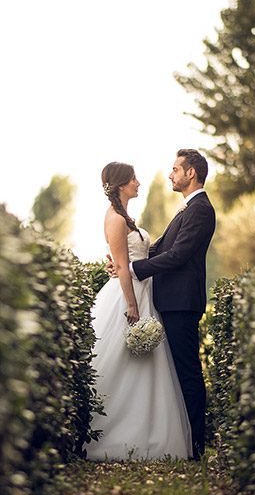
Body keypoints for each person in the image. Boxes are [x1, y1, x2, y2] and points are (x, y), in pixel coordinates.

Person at [107, 149, 216, 460]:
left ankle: (195, 448)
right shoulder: (187, 209)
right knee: (177, 372)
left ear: (191, 173)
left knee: (188, 373)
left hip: (182, 303)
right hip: (170, 301)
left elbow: (179, 255)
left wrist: (134, 269)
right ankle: (182, 440)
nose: (170, 175)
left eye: (175, 169)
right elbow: (160, 248)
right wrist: (124, 261)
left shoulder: (200, 210)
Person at [85, 162, 192, 461]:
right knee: (122, 362)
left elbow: (130, 259)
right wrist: (131, 304)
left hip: (145, 293)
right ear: (120, 184)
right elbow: (120, 266)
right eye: (133, 179)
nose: (138, 183)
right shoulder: (116, 219)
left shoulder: (125, 217)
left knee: (146, 366)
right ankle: (117, 435)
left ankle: (148, 431)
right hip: (128, 297)